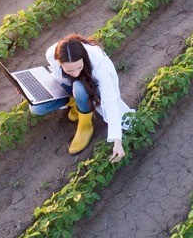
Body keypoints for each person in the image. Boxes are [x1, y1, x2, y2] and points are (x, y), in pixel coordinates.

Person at [29, 34, 133, 162]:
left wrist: (117, 140)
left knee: (79, 87)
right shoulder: (52, 54)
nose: (76, 73)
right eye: (69, 70)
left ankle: (85, 125)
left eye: (79, 67)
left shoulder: (100, 65)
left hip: (88, 89)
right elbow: (56, 77)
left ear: (83, 58)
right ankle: (74, 102)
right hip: (68, 87)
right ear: (59, 63)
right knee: (37, 107)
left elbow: (111, 100)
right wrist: (26, 89)